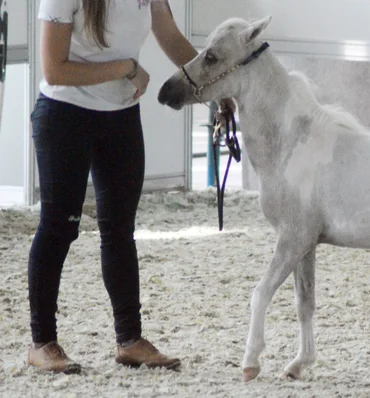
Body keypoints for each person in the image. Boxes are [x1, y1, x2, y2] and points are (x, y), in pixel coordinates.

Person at [27, 0, 228, 374]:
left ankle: (130, 341)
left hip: (120, 119)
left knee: (120, 231)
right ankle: (41, 343)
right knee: (58, 228)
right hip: (64, 116)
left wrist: (215, 89)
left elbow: (170, 36)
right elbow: (54, 71)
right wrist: (127, 67)